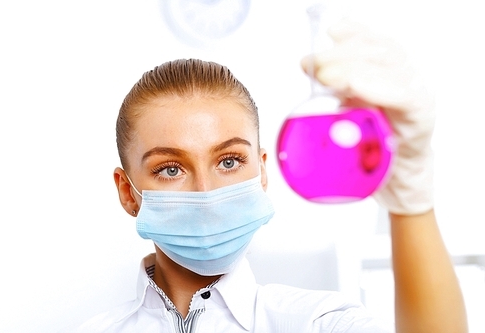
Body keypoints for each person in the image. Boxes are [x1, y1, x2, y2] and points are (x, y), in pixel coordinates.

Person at [68, 20, 468, 333]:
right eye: (170, 169)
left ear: (261, 172)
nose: (206, 193)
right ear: (128, 192)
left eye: (228, 161)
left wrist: (411, 205)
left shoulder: (318, 322)